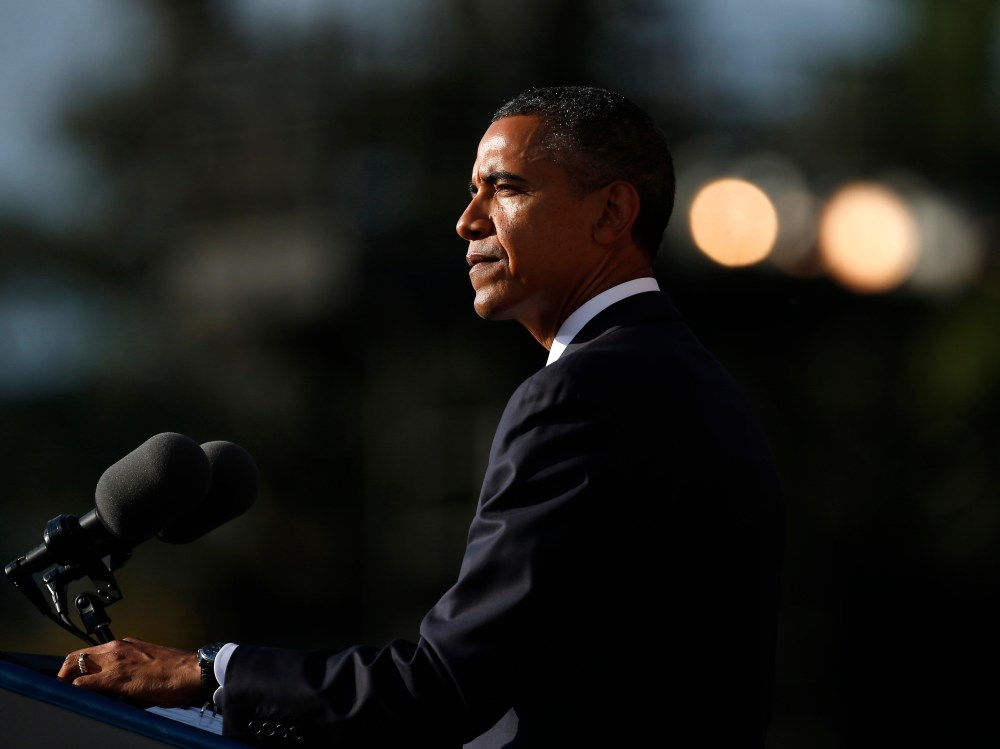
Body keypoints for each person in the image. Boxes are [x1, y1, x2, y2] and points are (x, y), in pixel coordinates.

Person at [58, 85, 785, 747]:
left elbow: (447, 685)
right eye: (473, 190)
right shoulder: (701, 384)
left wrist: (211, 674)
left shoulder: (581, 393)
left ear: (611, 213)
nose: (467, 219)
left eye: (504, 188)